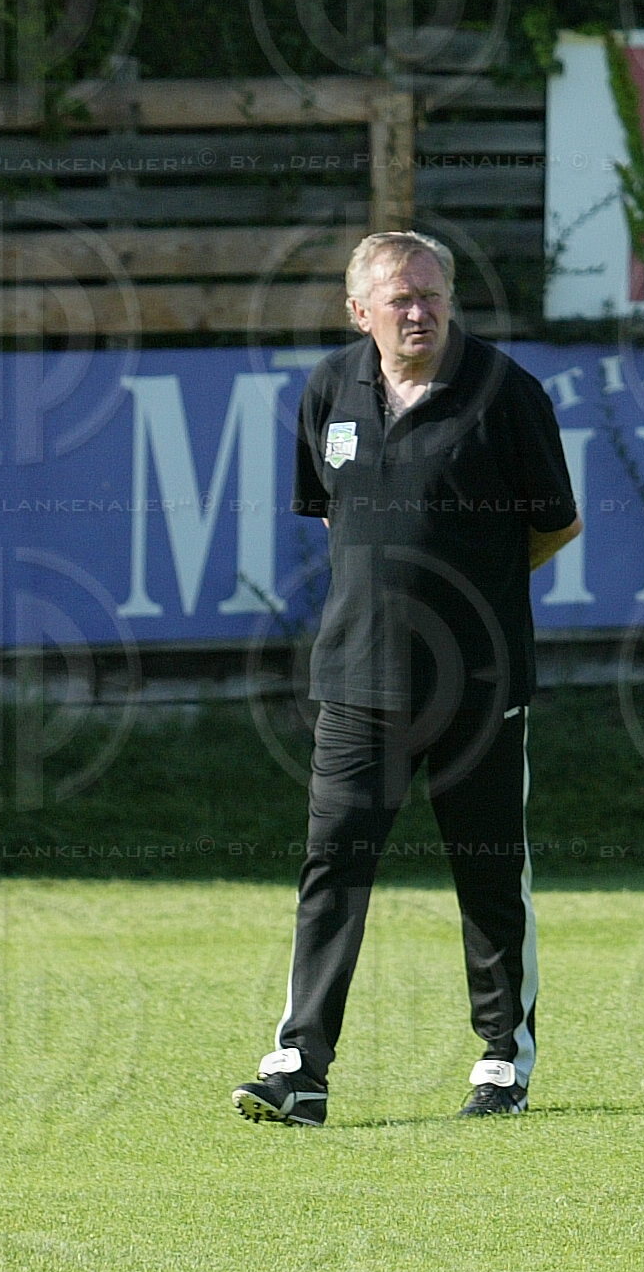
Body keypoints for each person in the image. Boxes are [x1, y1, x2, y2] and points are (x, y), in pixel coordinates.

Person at [232, 230, 581, 1126]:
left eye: (431, 294)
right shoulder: (328, 392)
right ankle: (299, 1067)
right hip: (355, 682)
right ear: (360, 312)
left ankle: (503, 1062)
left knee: (490, 871)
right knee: (333, 870)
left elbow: (556, 526)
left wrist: (469, 599)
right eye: (399, 299)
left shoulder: (506, 393)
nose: (418, 311)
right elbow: (330, 518)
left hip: (481, 683)